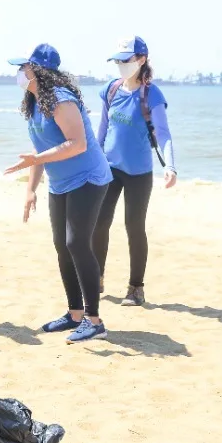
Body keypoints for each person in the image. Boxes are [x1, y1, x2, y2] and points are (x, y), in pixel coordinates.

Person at [4, 43, 113, 343]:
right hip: (61, 182)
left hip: (89, 177)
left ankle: (94, 321)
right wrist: (30, 190)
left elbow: (76, 144)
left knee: (77, 243)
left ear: (37, 70)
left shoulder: (61, 100)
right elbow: (41, 153)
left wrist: (36, 161)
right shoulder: (34, 102)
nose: (19, 73)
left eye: (23, 67)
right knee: (62, 246)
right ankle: (75, 314)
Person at [94, 36, 177, 307]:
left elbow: (163, 134)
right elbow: (102, 130)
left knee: (134, 227)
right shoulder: (111, 90)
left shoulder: (151, 95)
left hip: (139, 173)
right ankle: (97, 278)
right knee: (99, 223)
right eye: (117, 60)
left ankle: (136, 288)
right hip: (109, 168)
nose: (120, 65)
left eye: (125, 60)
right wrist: (90, 161)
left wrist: (170, 166)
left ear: (141, 60)